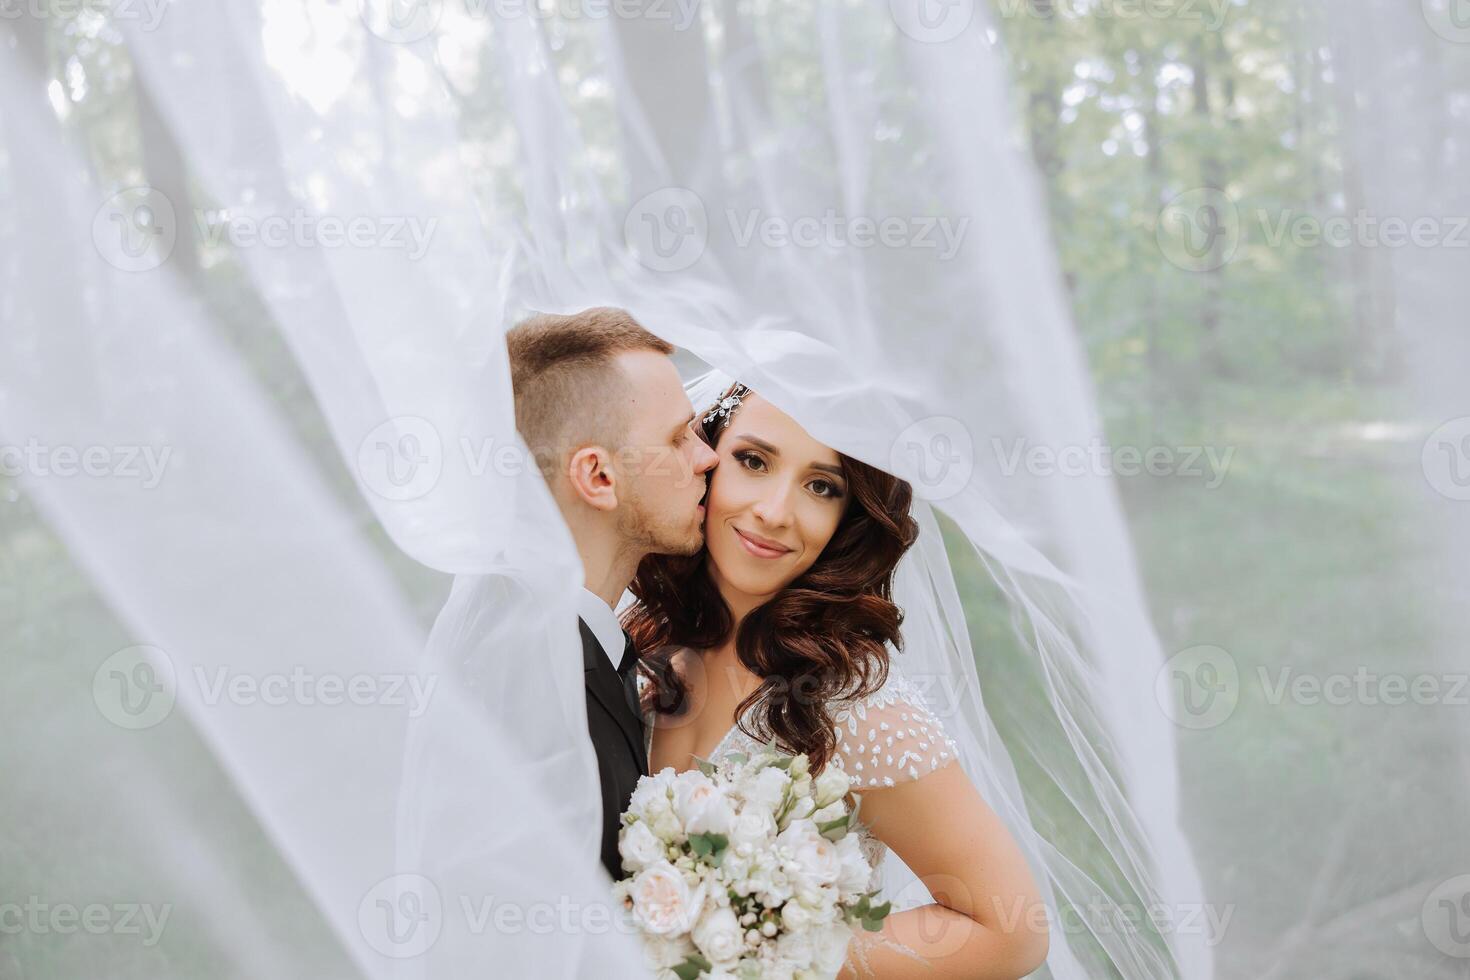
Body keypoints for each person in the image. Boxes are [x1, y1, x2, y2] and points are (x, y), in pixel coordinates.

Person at [625, 381, 1051, 979]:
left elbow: (1012, 931)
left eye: (821, 487)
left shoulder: (853, 705)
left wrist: (754, 950)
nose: (775, 512)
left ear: (848, 519)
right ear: (706, 460)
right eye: (753, 461)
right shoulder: (640, 641)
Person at [505, 306, 719, 879]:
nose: (708, 456)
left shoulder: (588, 647)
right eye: (679, 439)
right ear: (599, 477)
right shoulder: (531, 689)